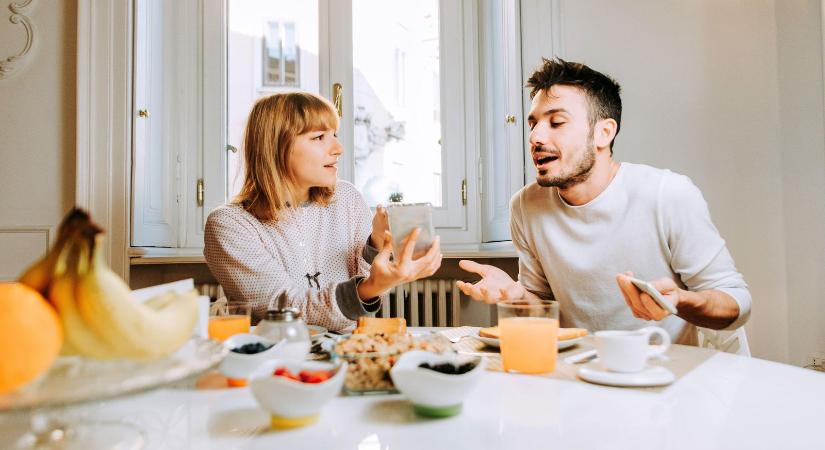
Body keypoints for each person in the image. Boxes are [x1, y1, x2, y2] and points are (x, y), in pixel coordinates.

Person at [457, 58, 750, 344]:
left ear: (604, 133)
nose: (535, 136)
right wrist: (516, 294)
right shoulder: (525, 206)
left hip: (668, 374)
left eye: (556, 122)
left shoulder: (667, 194)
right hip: (582, 373)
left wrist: (682, 301)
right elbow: (544, 307)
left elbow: (735, 303)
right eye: (533, 124)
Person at [204, 92, 442, 332]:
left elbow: (363, 284)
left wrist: (377, 245)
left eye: (334, 135)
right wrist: (369, 287)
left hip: (345, 350)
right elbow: (286, 309)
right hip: (276, 358)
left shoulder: (346, 198)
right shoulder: (230, 224)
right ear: (276, 147)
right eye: (319, 137)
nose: (338, 148)